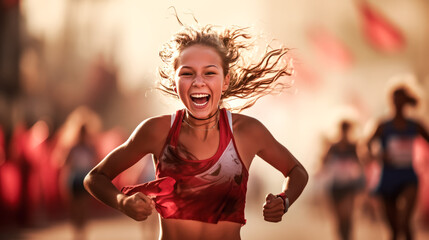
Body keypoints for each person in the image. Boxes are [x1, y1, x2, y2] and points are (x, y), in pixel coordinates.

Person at [84, 24, 308, 240]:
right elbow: (94, 178)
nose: (198, 82)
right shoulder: (156, 131)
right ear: (175, 83)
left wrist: (284, 200)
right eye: (187, 74)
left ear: (226, 81)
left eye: (209, 73)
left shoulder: (247, 132)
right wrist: (122, 202)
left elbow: (296, 170)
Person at [366, 85, 429, 240]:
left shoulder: (415, 125)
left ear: (406, 101)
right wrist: (379, 155)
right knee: (394, 229)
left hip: (408, 175)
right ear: (391, 101)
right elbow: (366, 146)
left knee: (404, 222)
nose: (398, 103)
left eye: (401, 99)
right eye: (395, 99)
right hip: (388, 177)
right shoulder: (383, 126)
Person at [321, 120, 365, 240]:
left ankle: (348, 236)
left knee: (347, 214)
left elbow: (360, 164)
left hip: (349, 186)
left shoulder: (353, 147)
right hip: (335, 186)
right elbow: (323, 162)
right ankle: (341, 236)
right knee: (339, 217)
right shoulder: (333, 147)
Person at [64, 124, 97, 240]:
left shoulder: (90, 148)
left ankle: (82, 234)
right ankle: (76, 232)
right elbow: (65, 163)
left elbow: (95, 163)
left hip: (85, 180)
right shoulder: (73, 148)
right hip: (75, 179)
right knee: (75, 208)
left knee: (83, 207)